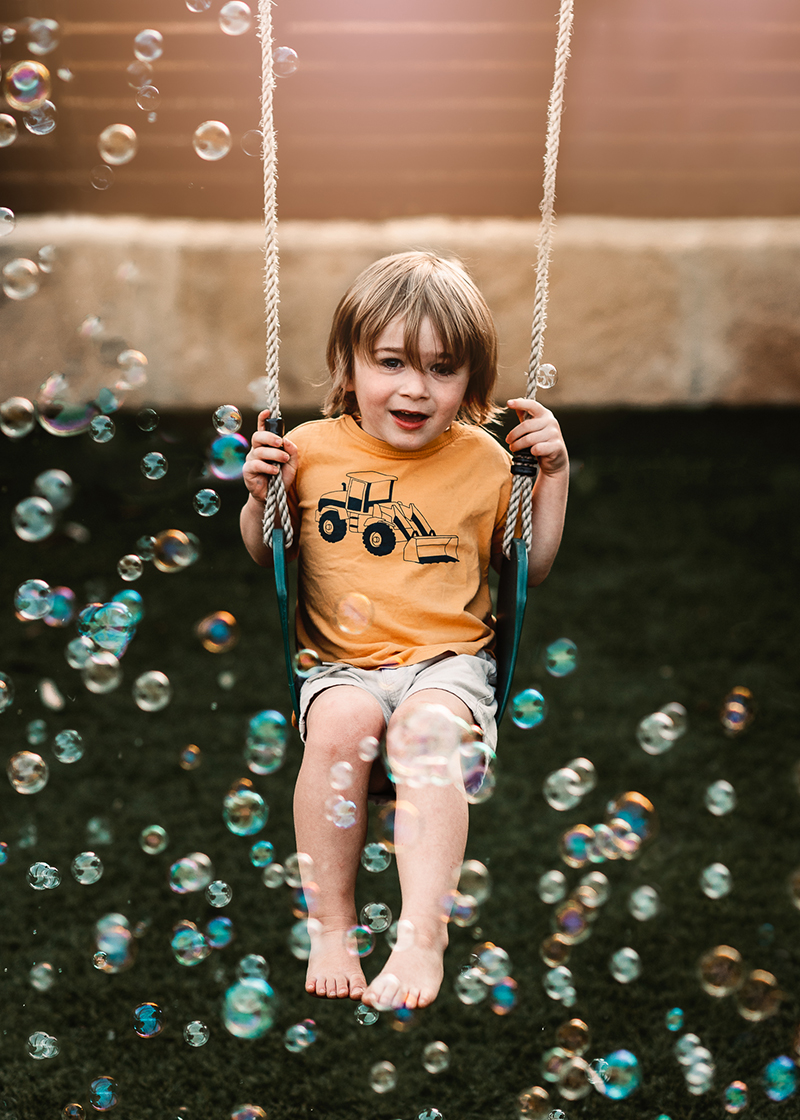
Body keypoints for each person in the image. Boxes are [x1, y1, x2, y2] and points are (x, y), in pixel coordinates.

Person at [240, 250, 568, 1010]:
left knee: (427, 734)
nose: (415, 387)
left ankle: (423, 935)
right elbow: (266, 552)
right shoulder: (309, 451)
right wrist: (260, 495)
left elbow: (531, 568)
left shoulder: (487, 462)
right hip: (339, 665)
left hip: (446, 665)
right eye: (390, 362)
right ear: (348, 367)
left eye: (442, 368)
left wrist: (553, 480)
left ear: (471, 382)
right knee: (341, 726)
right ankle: (331, 924)